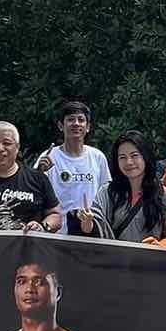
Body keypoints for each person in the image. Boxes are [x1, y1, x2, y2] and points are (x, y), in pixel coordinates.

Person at [77, 130, 166, 243]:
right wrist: (87, 222)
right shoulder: (107, 192)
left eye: (134, 156)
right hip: (113, 259)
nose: (128, 162)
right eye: (122, 157)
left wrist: (163, 244)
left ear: (145, 157)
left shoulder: (165, 195)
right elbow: (91, 230)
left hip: (151, 259)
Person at [34, 100, 111, 234]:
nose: (76, 124)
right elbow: (33, 193)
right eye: (70, 119)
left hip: (91, 234)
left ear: (88, 127)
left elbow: (106, 196)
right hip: (58, 235)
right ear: (60, 125)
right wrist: (39, 173)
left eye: (81, 120)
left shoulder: (98, 157)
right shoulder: (49, 156)